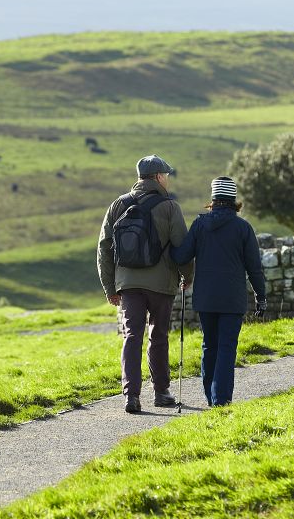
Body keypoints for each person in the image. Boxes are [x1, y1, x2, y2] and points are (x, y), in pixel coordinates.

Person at [97, 155, 195, 413]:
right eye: (167, 175)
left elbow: (104, 248)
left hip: (128, 284)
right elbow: (181, 246)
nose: (168, 179)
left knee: (131, 336)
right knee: (158, 336)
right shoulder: (170, 207)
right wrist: (188, 275)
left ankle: (131, 396)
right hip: (161, 283)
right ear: (158, 177)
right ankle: (161, 392)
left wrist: (111, 287)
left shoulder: (118, 205)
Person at [170, 176, 267, 407]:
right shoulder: (243, 228)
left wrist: (167, 243)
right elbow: (254, 267)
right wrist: (260, 296)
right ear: (234, 200)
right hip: (232, 299)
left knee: (209, 345)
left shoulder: (200, 225)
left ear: (213, 199)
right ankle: (221, 399)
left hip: (206, 298)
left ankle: (210, 396)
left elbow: (181, 256)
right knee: (226, 348)